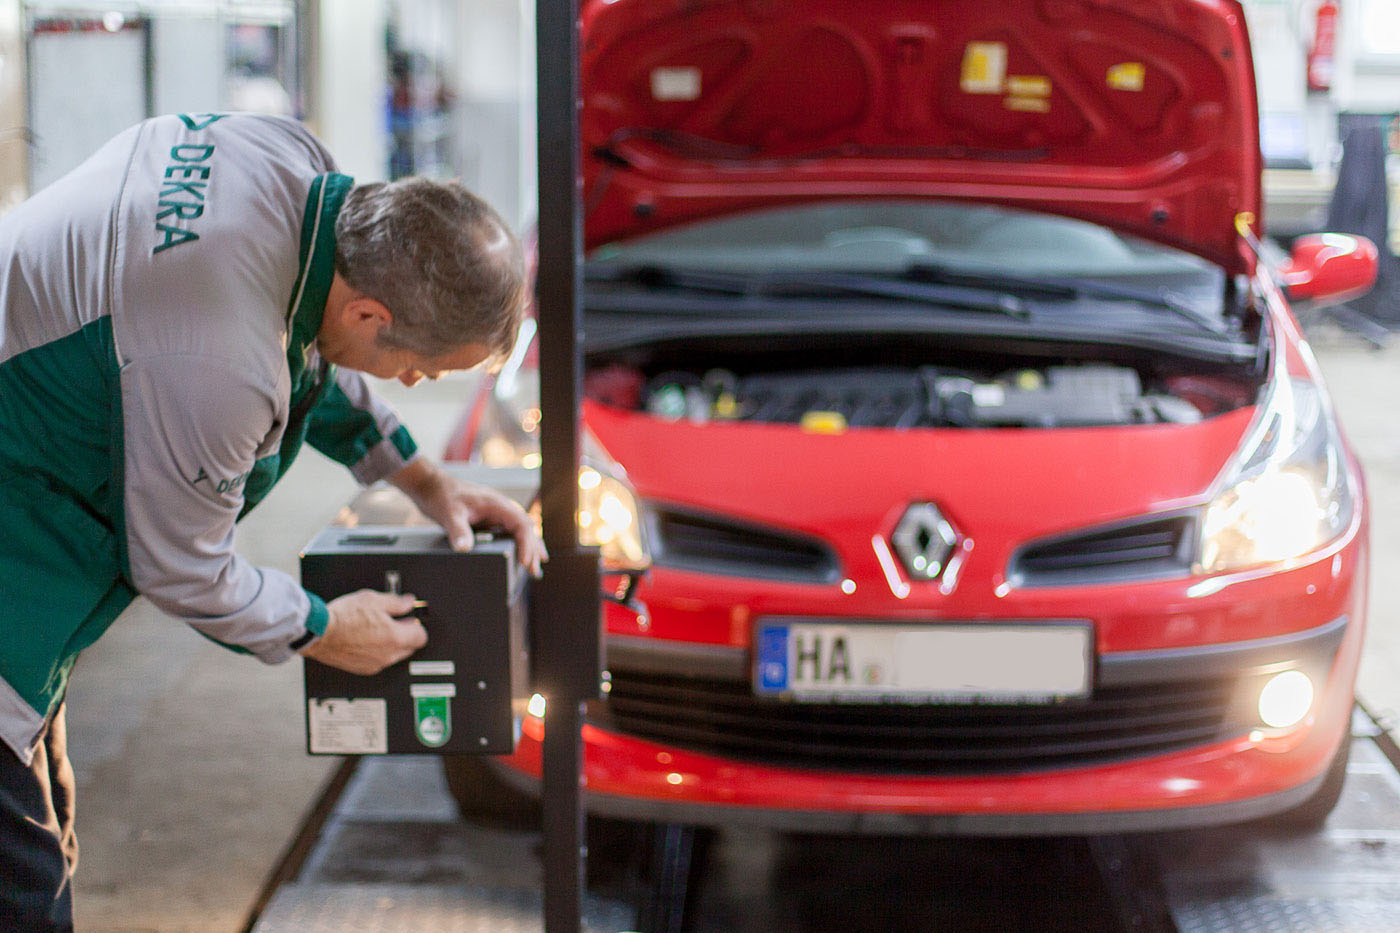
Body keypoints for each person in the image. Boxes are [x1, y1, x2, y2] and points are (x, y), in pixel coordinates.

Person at [0, 111, 547, 929]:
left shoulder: (287, 165)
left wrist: (426, 478)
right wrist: (324, 627)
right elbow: (182, 567)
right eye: (422, 367)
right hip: (16, 550)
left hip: (33, 506)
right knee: (23, 895)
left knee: (44, 831)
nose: (415, 380)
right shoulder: (215, 359)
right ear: (371, 315)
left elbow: (310, 349)